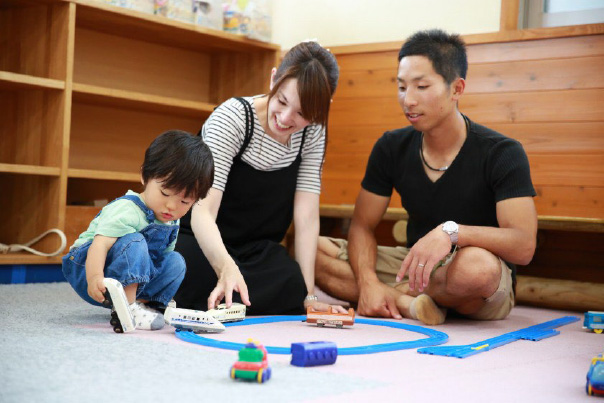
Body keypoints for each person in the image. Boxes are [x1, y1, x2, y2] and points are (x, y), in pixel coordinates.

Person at [315, 29, 538, 325]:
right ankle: (407, 303)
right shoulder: (391, 146)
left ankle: (399, 296)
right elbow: (362, 225)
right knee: (312, 250)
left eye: (421, 86)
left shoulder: (502, 152)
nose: (408, 100)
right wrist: (367, 281)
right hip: (414, 263)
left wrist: (451, 232)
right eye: (402, 86)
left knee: (477, 269)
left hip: (473, 275)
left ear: (456, 89)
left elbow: (523, 246)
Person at [174, 41, 347, 315]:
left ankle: (225, 296)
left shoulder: (314, 131)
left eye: (303, 113)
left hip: (255, 250)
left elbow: (306, 217)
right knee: (182, 268)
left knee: (291, 283)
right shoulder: (232, 118)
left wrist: (309, 296)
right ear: (273, 78)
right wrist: (226, 268)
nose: (286, 118)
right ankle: (221, 289)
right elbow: (202, 212)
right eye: (282, 101)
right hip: (199, 237)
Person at [62, 130, 214, 330]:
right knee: (136, 241)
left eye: (185, 201)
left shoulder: (171, 221)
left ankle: (150, 306)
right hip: (87, 265)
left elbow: (160, 261)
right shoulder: (127, 210)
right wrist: (94, 278)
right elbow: (99, 245)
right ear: (144, 176)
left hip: (132, 273)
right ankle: (129, 307)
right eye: (165, 193)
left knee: (175, 261)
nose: (171, 207)